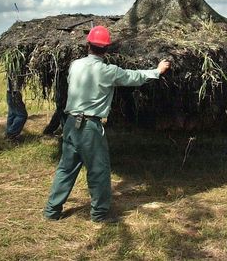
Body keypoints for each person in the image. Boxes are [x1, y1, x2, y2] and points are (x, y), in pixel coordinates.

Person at [43, 25, 171, 223]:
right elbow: (134, 77)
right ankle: (100, 215)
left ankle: (52, 211)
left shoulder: (75, 65)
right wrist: (157, 71)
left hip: (69, 123)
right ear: (106, 49)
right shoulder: (108, 71)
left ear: (89, 45)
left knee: (66, 168)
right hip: (89, 127)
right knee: (99, 170)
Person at [5, 77, 28, 141]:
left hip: (9, 94)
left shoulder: (11, 71)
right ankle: (11, 134)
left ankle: (8, 134)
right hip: (14, 94)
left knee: (12, 114)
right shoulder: (15, 72)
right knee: (22, 115)